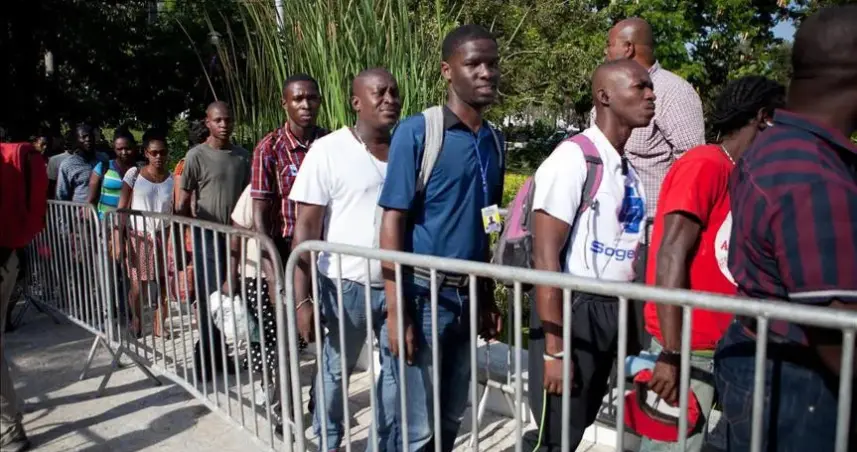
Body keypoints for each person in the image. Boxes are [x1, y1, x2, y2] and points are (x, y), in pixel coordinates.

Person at [716, 5, 857, 451]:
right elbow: (834, 326)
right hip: (803, 385)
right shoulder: (813, 176)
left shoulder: (776, 146)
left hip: (768, 362)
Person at [639, 76, 785, 452]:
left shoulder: (742, 173)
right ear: (764, 117)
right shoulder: (705, 163)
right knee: (671, 446)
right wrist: (671, 353)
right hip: (687, 348)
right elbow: (671, 253)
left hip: (725, 346)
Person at [377, 24, 504, 451]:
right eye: (474, 64)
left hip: (467, 300)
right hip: (423, 298)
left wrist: (486, 296)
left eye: (492, 63)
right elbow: (392, 222)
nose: (486, 72)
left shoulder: (494, 141)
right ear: (448, 71)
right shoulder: (418, 132)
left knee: (451, 415)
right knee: (416, 428)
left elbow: (488, 223)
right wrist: (397, 312)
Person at [525, 59, 654, 451]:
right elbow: (545, 259)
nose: (651, 95)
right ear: (605, 96)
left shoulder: (627, 170)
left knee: (576, 426)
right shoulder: (573, 158)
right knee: (555, 434)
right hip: (573, 310)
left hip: (610, 310)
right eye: (640, 87)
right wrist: (555, 350)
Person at [290, 68, 401, 450]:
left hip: (398, 285)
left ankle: (380, 444)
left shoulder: (408, 148)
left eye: (394, 92)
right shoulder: (328, 150)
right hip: (344, 285)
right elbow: (305, 228)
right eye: (379, 93)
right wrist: (303, 299)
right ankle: (329, 440)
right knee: (336, 368)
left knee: (395, 372)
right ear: (356, 102)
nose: (389, 99)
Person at [176, 101, 251, 381]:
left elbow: (248, 197)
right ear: (207, 122)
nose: (223, 125)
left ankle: (221, 355)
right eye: (218, 120)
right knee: (210, 298)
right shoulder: (196, 156)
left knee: (229, 297)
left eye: (228, 120)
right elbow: (183, 202)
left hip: (235, 237)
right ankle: (206, 357)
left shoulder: (242, 156)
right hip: (206, 236)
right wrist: (180, 240)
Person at [251, 74, 327, 267]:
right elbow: (260, 211)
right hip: (289, 246)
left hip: (327, 243)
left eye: (312, 98)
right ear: (284, 104)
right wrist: (271, 267)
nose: (306, 105)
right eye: (298, 99)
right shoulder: (269, 148)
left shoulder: (331, 143)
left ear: (319, 101)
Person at [117, 133, 175, 338]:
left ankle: (160, 324)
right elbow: (122, 208)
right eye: (154, 152)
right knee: (137, 285)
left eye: (163, 152)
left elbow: (174, 209)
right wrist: (119, 238)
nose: (159, 156)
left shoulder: (172, 179)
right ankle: (137, 320)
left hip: (164, 235)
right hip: (139, 236)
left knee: (164, 283)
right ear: (146, 153)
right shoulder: (134, 175)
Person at [87, 128, 139, 219]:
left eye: (128, 148)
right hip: (104, 222)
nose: (124, 152)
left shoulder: (139, 171)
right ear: (114, 148)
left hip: (130, 223)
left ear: (134, 147)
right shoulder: (103, 167)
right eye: (119, 149)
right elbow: (90, 198)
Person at [56, 124, 109, 202]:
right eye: (83, 137)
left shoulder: (103, 159)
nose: (88, 139)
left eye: (91, 136)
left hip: (104, 208)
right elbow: (62, 195)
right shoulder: (67, 164)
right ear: (76, 140)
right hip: (80, 208)